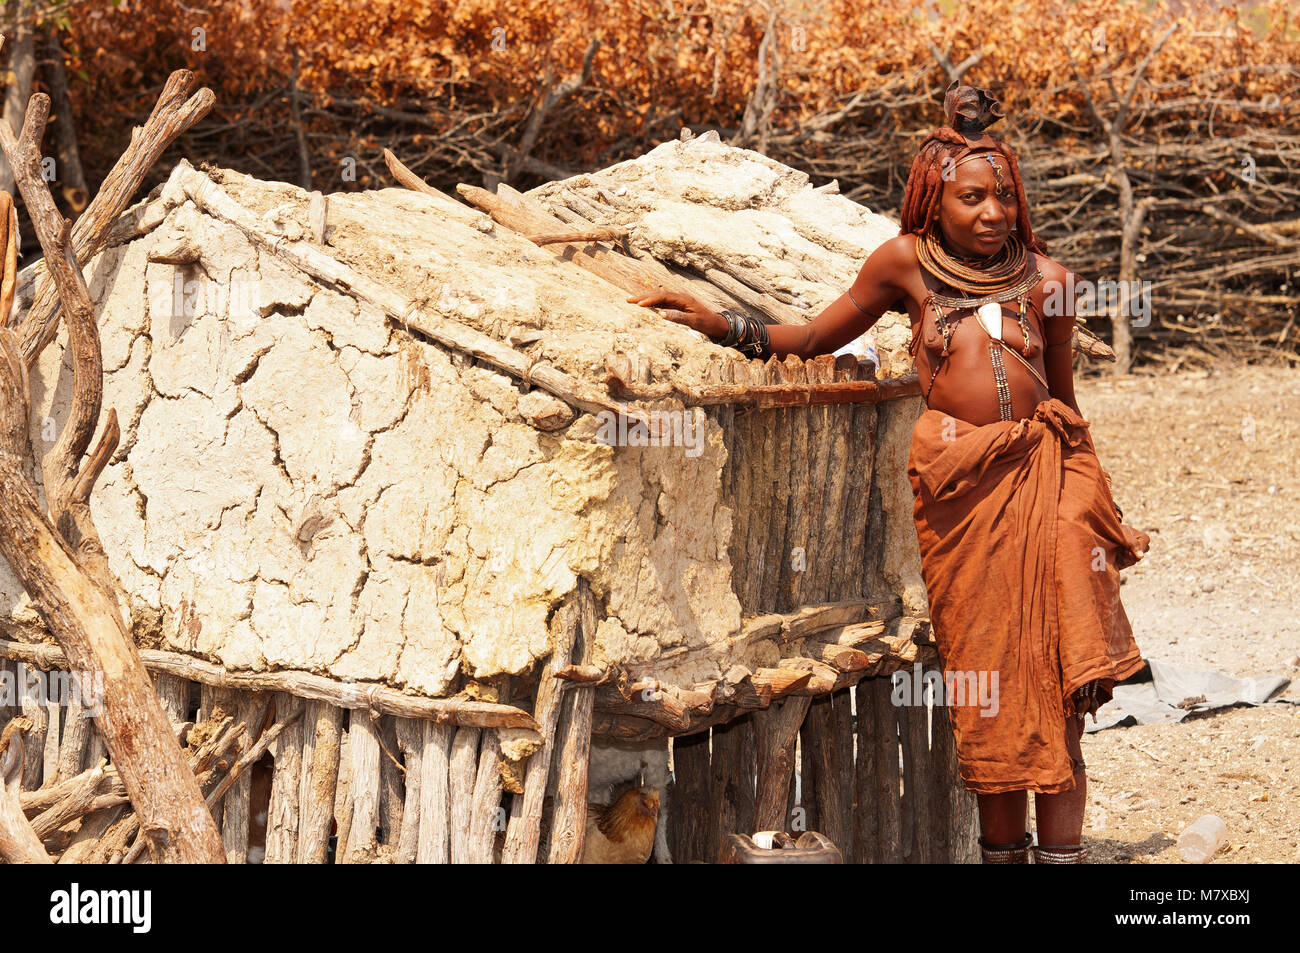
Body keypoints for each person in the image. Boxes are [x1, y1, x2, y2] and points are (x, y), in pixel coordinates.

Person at [628, 82, 1151, 864]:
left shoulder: (1052, 281)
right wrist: (722, 323)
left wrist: (1086, 505)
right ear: (933, 201)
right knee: (990, 682)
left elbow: (1067, 406)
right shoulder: (904, 265)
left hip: (1044, 480)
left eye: (1004, 197)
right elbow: (811, 336)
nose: (993, 214)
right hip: (959, 492)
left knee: (1058, 674)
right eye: (972, 198)